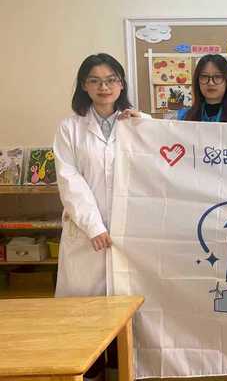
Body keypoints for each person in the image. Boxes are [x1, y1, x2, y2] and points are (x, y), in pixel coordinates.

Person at [54, 53, 148, 379]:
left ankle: (120, 370)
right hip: (87, 234)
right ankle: (90, 373)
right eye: (95, 80)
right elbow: (69, 180)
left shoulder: (137, 124)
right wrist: (93, 225)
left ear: (121, 84)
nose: (103, 87)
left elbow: (158, 167)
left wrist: (145, 124)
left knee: (124, 312)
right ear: (84, 86)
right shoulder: (70, 128)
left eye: (110, 80)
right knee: (85, 314)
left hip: (127, 230)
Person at [177, 54, 227, 122]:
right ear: (197, 81)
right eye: (204, 76)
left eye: (217, 76)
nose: (211, 83)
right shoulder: (185, 117)